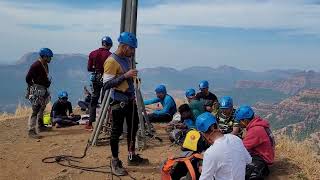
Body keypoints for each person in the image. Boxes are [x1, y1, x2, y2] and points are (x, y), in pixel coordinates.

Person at [102, 32, 149, 176]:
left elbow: (127, 77)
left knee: (133, 128)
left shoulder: (127, 59)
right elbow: (106, 84)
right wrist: (125, 76)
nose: (133, 51)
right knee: (116, 132)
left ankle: (131, 155)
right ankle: (115, 161)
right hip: (118, 101)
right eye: (131, 48)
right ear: (123, 46)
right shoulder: (111, 61)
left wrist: (133, 79)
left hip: (129, 99)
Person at [196, 112, 252, 180]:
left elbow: (205, 178)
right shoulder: (235, 138)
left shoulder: (210, 153)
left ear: (203, 133)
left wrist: (205, 169)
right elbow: (248, 160)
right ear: (216, 125)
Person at [234, 105, 275, 179]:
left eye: (239, 121)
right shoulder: (258, 125)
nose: (239, 123)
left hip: (262, 160)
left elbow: (241, 148)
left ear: (245, 120)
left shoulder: (255, 130)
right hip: (264, 156)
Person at [86, 36, 113, 130]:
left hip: (95, 78)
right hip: (106, 78)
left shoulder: (92, 53)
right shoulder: (110, 55)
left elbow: (89, 68)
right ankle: (102, 123)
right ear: (109, 45)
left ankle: (90, 123)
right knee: (105, 101)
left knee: (94, 100)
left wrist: (96, 70)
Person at [25, 48, 53, 139]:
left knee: (42, 107)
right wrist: (33, 88)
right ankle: (31, 130)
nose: (50, 59)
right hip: (37, 90)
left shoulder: (44, 64)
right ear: (44, 56)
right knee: (35, 109)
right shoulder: (36, 65)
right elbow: (28, 78)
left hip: (43, 89)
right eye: (49, 57)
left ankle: (41, 125)